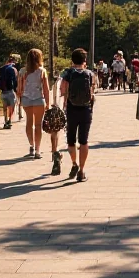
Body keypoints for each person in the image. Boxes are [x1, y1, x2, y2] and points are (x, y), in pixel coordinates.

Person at [60, 48, 95, 182]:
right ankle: (81, 170)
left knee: (71, 140)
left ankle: (74, 163)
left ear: (72, 60)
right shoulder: (90, 74)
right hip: (86, 110)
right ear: (84, 60)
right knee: (84, 141)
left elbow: (62, 90)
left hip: (71, 109)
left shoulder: (68, 73)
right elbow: (92, 92)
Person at [17, 48, 50, 158]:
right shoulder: (42, 71)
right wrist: (48, 103)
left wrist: (20, 99)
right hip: (38, 99)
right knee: (38, 125)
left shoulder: (22, 71)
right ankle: (37, 150)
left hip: (26, 99)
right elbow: (46, 89)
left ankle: (31, 145)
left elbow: (19, 88)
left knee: (29, 123)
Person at [0, 54, 18, 129]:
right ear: (13, 62)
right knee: (12, 106)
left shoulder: (1, 69)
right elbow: (15, 81)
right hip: (10, 91)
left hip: (3, 92)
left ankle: (5, 121)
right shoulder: (13, 69)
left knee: (5, 107)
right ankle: (9, 121)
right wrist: (16, 90)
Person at [13, 54, 24, 120]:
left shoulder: (14, 68)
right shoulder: (19, 69)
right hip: (19, 86)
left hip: (16, 86)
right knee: (20, 101)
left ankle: (20, 113)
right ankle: (20, 113)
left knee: (19, 100)